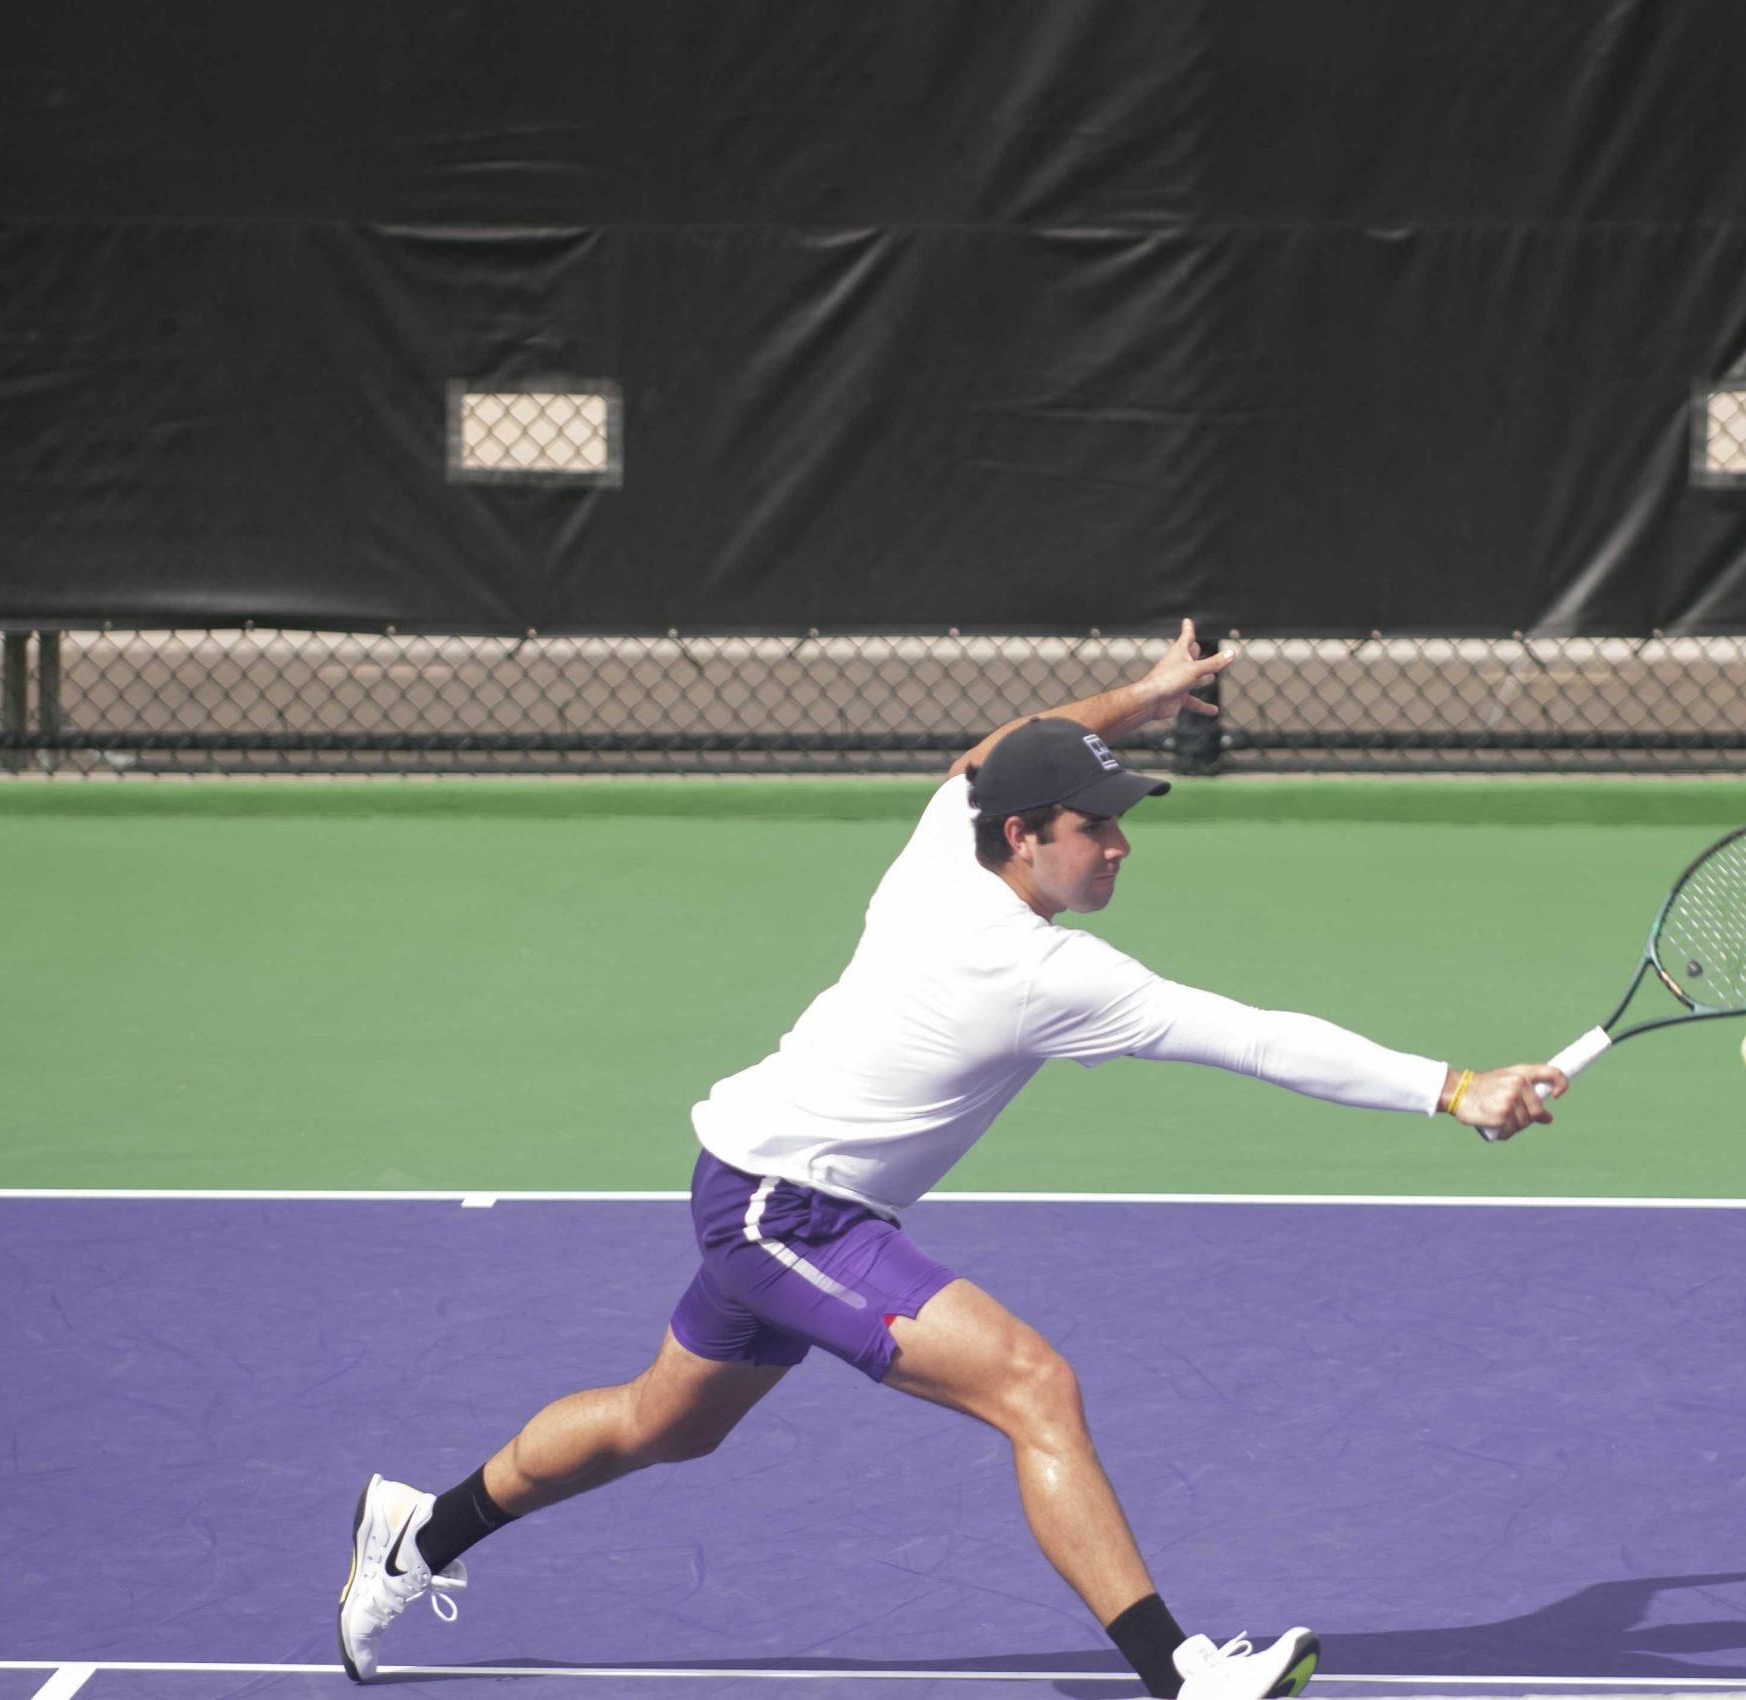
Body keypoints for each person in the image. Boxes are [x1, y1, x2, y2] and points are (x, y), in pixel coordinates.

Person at [338, 621, 1570, 1694]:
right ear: (1028, 837)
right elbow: (1252, 1037)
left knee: (666, 1424)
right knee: (1034, 1384)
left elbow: (1004, 743)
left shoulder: (951, 832)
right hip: (789, 1210)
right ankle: (1181, 1673)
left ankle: (418, 1530)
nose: (1120, 848)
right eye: (1098, 827)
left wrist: (1138, 698)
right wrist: (1453, 1088)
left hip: (758, 1180)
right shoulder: (1044, 973)